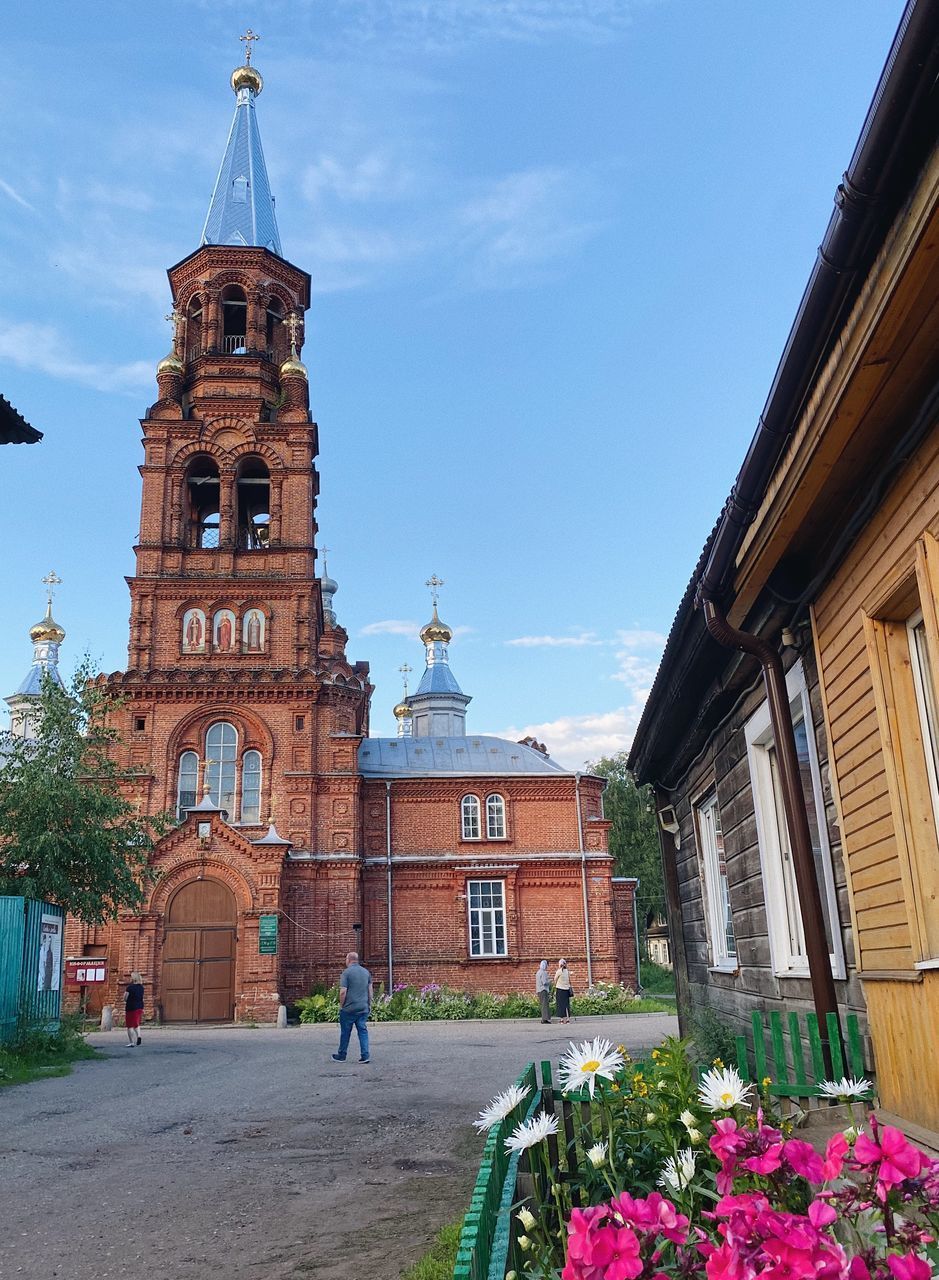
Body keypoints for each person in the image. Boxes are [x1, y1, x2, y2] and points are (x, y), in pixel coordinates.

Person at [332, 952, 373, 1063]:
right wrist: (369, 1004)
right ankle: (365, 1055)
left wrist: (341, 1005)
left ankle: (342, 1055)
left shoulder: (346, 973)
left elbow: (343, 992)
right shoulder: (366, 972)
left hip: (349, 1008)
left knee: (345, 1032)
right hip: (363, 1007)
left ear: (348, 959)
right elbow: (370, 991)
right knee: (363, 1031)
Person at [124, 971, 144, 1046]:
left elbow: (125, 998)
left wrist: (126, 999)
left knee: (130, 1026)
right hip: (140, 1007)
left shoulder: (130, 987)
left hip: (131, 1007)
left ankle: (131, 1042)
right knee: (136, 1023)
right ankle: (139, 1036)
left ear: (133, 978)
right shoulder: (141, 987)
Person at [554, 959, 573, 1023]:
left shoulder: (559, 971)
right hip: (566, 989)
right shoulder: (567, 971)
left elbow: (555, 979)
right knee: (566, 1004)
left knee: (560, 1005)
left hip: (560, 989)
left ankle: (562, 1019)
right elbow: (569, 980)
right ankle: (568, 1019)